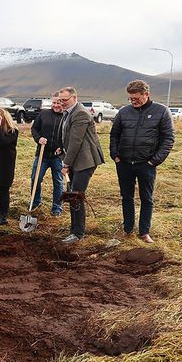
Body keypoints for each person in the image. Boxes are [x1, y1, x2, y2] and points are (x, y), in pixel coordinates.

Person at [110, 80, 174, 243]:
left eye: (136, 98)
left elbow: (168, 138)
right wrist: (115, 155)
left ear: (146, 94)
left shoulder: (161, 111)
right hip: (124, 163)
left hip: (146, 164)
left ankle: (144, 232)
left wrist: (154, 161)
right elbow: (114, 135)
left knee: (146, 198)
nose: (133, 101)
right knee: (126, 197)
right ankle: (127, 229)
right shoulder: (124, 112)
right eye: (130, 98)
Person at [59, 86, 105, 244]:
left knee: (76, 196)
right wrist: (62, 150)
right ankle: (74, 229)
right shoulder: (69, 112)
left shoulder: (80, 113)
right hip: (76, 160)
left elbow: (76, 141)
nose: (62, 103)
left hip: (85, 161)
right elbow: (67, 136)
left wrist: (66, 163)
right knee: (73, 195)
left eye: (65, 100)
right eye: (60, 100)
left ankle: (77, 233)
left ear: (74, 98)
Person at [30, 92, 64, 216]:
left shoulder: (66, 117)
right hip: (42, 155)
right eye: (53, 102)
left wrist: (62, 147)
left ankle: (57, 208)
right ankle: (35, 203)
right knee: (35, 178)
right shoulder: (44, 114)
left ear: (63, 102)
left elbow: (70, 136)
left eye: (58, 103)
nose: (55, 105)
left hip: (58, 157)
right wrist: (38, 139)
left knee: (58, 182)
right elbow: (34, 129)